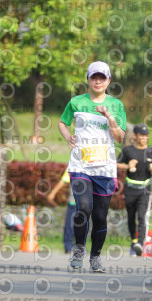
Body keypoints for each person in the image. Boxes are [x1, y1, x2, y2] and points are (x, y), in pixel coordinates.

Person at [58, 61, 126, 273]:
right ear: (88, 80)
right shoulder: (76, 102)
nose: (98, 81)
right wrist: (68, 136)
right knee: (83, 209)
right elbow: (62, 122)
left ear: (108, 81)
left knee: (99, 216)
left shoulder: (116, 105)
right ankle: (79, 248)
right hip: (80, 165)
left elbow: (121, 137)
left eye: (102, 77)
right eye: (94, 77)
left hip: (104, 168)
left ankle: (95, 257)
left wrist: (109, 117)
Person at [117, 123, 152, 256]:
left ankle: (140, 243)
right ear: (135, 136)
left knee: (142, 216)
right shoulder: (128, 151)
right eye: (141, 135)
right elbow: (116, 164)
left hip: (145, 189)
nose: (144, 138)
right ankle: (134, 242)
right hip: (130, 189)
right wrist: (128, 166)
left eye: (146, 135)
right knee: (131, 217)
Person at [47, 167, 77, 253]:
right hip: (73, 201)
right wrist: (52, 193)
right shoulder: (73, 165)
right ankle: (68, 247)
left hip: (87, 202)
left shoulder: (91, 163)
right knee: (70, 225)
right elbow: (64, 180)